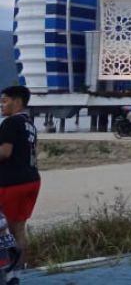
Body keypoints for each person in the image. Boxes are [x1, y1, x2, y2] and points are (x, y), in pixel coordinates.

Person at [0, 85, 41, 277]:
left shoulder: (10, 122)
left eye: (5, 101)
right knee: (19, 229)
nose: (2, 105)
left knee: (4, 229)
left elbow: (4, 152)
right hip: (31, 180)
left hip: (12, 183)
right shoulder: (29, 124)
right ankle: (20, 270)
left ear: (17, 102)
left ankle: (8, 271)